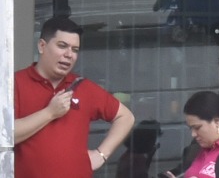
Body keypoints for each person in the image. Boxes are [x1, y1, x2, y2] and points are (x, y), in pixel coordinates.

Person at [14, 14, 136, 178]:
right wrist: (50, 113)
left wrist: (100, 155)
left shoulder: (83, 87)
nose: (69, 54)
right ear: (42, 46)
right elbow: (5, 135)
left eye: (75, 49)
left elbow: (126, 117)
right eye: (62, 46)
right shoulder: (15, 83)